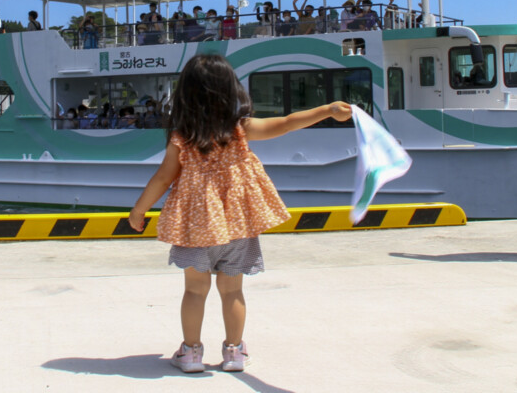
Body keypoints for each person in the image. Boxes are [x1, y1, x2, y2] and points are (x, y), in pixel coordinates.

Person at [128, 54, 352, 373]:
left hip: (195, 229)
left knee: (194, 290)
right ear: (230, 90)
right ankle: (234, 353)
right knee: (233, 290)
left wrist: (139, 210)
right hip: (237, 226)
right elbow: (287, 123)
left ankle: (191, 353)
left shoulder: (182, 138)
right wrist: (327, 109)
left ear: (186, 94)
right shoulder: (239, 130)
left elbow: (163, 178)